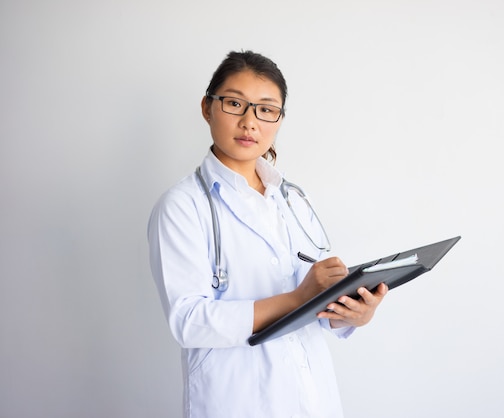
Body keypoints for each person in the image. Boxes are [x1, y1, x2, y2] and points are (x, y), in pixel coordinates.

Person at [148, 50, 388, 418]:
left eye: (266, 109)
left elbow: (317, 299)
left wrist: (351, 312)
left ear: (278, 119)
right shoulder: (183, 206)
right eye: (234, 103)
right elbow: (189, 322)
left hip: (314, 399)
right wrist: (297, 298)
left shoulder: (291, 199)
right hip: (238, 401)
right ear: (206, 107)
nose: (249, 122)